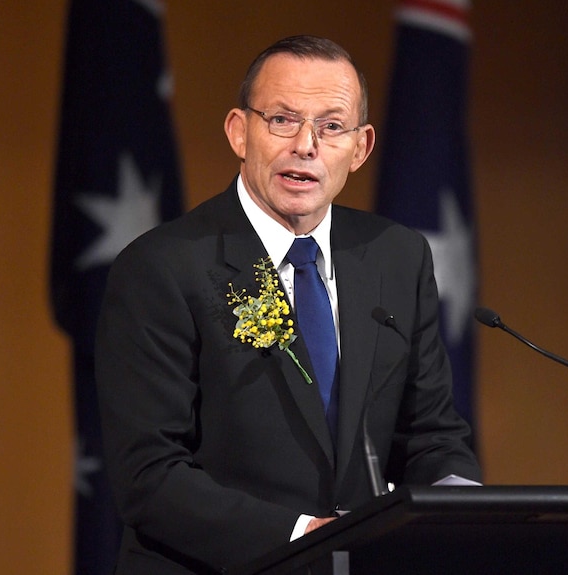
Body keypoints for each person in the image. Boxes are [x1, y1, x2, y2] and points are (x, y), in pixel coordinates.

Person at [95, 35, 481, 574]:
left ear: (361, 147)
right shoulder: (163, 267)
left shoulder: (396, 257)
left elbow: (432, 434)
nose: (306, 145)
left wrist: (463, 508)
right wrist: (306, 538)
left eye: (331, 126)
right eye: (282, 119)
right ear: (239, 131)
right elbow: (150, 475)